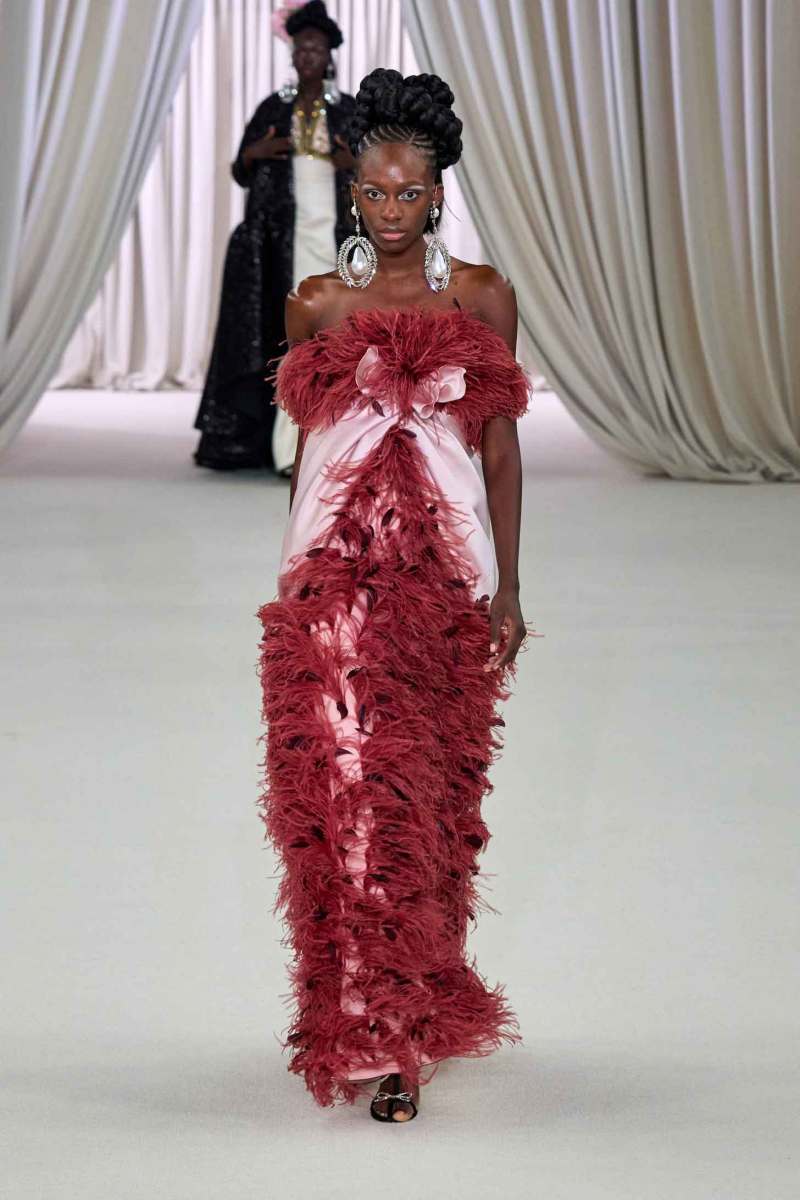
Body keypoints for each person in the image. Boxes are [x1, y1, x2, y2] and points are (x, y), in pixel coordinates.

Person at [256, 68, 534, 1122]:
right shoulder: (316, 304)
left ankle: (415, 1007)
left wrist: (510, 588)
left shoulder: (481, 297)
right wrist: (294, 575)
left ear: (438, 191)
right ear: (352, 193)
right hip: (334, 577)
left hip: (446, 578)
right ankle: (374, 1034)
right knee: (343, 789)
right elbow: (309, 450)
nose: (389, 209)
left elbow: (499, 449)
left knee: (430, 794)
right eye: (372, 192)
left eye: (408, 192)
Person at [193, 1, 357, 474]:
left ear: (329, 55)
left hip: (336, 237)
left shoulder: (347, 110)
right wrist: (255, 153)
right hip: (280, 244)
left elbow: (375, 172)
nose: (307, 55)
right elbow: (240, 170)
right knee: (288, 341)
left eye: (315, 48)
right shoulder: (273, 107)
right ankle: (286, 450)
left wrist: (353, 164)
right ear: (292, 54)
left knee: (335, 338)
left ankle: (338, 444)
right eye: (300, 47)